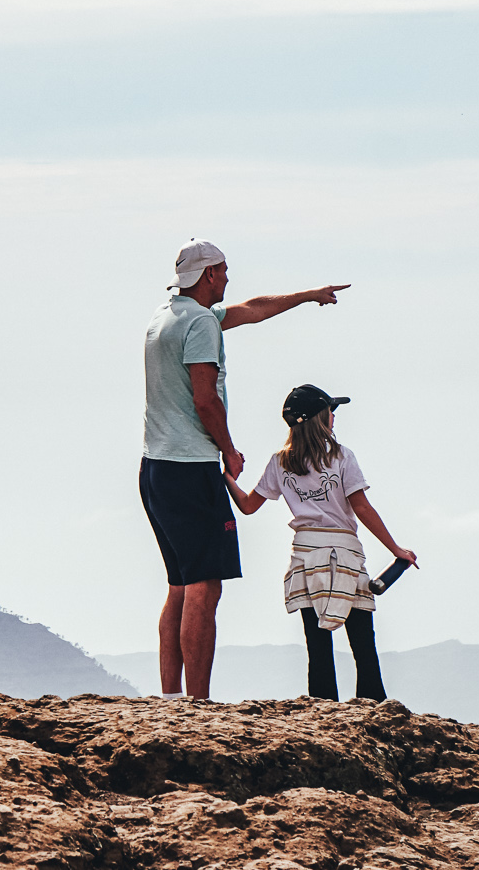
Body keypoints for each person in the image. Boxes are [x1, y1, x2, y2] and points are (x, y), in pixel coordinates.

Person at [141, 238, 349, 700]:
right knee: (204, 586)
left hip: (155, 468)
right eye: (225, 270)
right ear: (210, 274)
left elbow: (253, 309)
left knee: (179, 582)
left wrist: (306, 295)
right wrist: (229, 450)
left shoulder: (168, 316)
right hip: (191, 467)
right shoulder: (199, 324)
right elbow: (204, 398)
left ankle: (172, 698)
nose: (230, 278)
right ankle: (197, 701)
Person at [225, 383, 417, 702]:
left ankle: (323, 708)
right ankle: (372, 708)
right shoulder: (341, 456)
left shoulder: (280, 461)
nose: (334, 418)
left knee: (317, 646)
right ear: (322, 418)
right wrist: (396, 550)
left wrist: (225, 476)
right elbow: (361, 507)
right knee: (362, 643)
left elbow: (247, 505)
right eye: (331, 411)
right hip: (345, 556)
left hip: (305, 557)